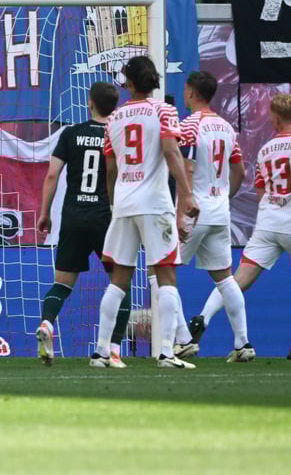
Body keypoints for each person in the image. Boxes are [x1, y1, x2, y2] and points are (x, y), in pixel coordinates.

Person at [191, 94, 291, 361]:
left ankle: (203, 319)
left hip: (267, 224)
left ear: (274, 117)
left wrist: (275, 205)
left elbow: (261, 189)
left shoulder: (266, 150)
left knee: (236, 280)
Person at [93, 56, 200, 369]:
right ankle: (167, 352)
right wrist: (187, 194)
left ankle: (101, 352)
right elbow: (170, 151)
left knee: (118, 280)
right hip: (153, 203)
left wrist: (115, 204)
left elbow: (110, 169)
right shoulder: (164, 111)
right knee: (166, 275)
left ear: (128, 82)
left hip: (124, 203)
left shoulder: (114, 118)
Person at [35, 82, 128, 367]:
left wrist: (44, 213)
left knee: (62, 284)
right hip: (106, 218)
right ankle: (112, 348)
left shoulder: (71, 133)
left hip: (74, 216)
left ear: (90, 103)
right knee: (120, 284)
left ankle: (48, 325)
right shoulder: (118, 135)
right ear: (114, 106)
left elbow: (52, 175)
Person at [170, 72, 254, 363]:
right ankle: (243, 344)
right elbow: (240, 171)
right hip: (219, 211)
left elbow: (188, 169)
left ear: (191, 92)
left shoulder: (190, 124)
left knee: (161, 273)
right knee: (225, 279)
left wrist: (182, 211)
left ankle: (182, 340)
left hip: (195, 209)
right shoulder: (227, 128)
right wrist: (223, 198)